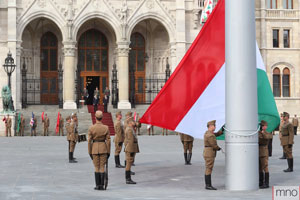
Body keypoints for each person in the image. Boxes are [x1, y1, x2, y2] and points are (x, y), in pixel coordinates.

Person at [88, 111, 111, 190]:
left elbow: (89, 141)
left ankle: (97, 185)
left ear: (95, 117)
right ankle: (101, 185)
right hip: (103, 148)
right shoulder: (106, 127)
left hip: (94, 148)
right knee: (102, 167)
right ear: (102, 118)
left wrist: (89, 151)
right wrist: (108, 151)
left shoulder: (92, 128)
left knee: (96, 167)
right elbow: (108, 141)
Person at [203, 120, 223, 190]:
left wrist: (222, 130)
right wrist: (219, 148)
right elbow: (214, 145)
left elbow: (216, 134)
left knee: (209, 168)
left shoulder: (209, 133)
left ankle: (208, 184)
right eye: (214, 126)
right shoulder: (210, 135)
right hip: (209, 153)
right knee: (209, 168)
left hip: (208, 152)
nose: (215, 127)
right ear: (211, 126)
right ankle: (208, 185)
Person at [124, 118, 139, 184]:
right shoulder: (129, 130)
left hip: (130, 148)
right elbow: (130, 141)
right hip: (130, 148)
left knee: (129, 163)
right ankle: (128, 179)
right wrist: (132, 150)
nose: (134, 122)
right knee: (129, 164)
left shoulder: (130, 128)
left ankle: (128, 178)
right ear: (130, 122)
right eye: (133, 121)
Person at [259, 120, 273, 189]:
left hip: (264, 152)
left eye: (263, 126)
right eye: (261, 126)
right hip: (258, 152)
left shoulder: (268, 133)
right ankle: (260, 182)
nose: (262, 127)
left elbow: (267, 137)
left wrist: (263, 132)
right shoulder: (258, 133)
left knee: (265, 167)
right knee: (259, 168)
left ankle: (266, 183)